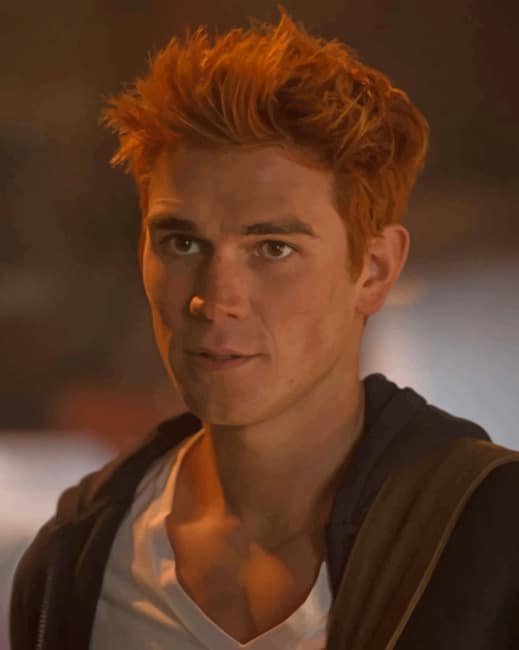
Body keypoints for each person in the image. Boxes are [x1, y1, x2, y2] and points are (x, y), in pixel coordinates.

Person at [10, 7, 519, 650]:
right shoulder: (76, 562)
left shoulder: (492, 536)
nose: (215, 300)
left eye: (273, 249)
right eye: (182, 242)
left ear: (374, 269)